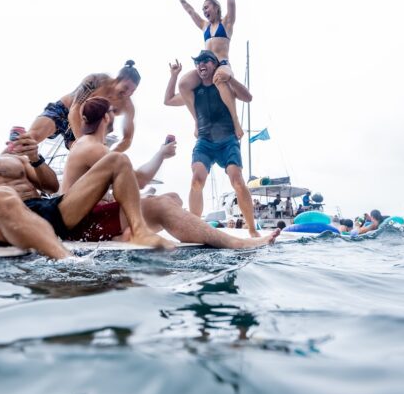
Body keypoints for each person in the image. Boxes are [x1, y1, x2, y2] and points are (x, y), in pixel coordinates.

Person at [0, 114, 173, 260]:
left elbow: (51, 185)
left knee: (116, 159)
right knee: (0, 196)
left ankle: (139, 231)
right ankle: (69, 264)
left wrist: (35, 158)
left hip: (50, 210)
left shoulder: (13, 159)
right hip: (5, 225)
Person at [61, 98, 279, 249]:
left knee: (172, 198)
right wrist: (161, 154)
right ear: (106, 118)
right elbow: (137, 181)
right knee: (162, 206)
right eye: (112, 113)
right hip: (83, 226)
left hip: (87, 219)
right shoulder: (92, 147)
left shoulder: (86, 145)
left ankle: (124, 235)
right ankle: (235, 243)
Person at [165, 53, 259, 237]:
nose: (201, 64)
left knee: (237, 181)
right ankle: (194, 227)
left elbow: (248, 98)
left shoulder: (224, 85)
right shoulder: (193, 91)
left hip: (227, 140)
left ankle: (252, 229)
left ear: (215, 64)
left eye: (205, 60)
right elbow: (167, 100)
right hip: (205, 141)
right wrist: (174, 75)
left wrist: (230, 78)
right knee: (197, 180)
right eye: (198, 62)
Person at [176, 0, 243, 138]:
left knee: (220, 78)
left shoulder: (226, 23)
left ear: (216, 7)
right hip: (205, 66)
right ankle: (198, 122)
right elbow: (191, 12)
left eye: (207, 7)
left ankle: (235, 121)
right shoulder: (205, 26)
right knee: (184, 83)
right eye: (203, 8)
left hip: (221, 65)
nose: (204, 10)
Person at [27, 61, 141, 150]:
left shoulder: (127, 106)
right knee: (32, 138)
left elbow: (127, 139)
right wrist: (83, 142)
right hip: (65, 111)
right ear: (117, 80)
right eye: (126, 88)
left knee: (91, 160)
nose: (127, 94)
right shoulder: (97, 81)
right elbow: (74, 110)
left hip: (84, 126)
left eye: (132, 91)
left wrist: (112, 154)